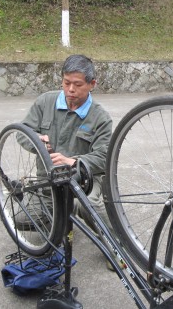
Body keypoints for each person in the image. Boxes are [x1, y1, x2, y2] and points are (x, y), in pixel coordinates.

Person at [21, 54, 115, 268]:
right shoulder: (45, 102)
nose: (70, 89)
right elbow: (21, 132)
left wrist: (72, 161)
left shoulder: (101, 118)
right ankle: (60, 217)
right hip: (49, 181)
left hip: (84, 179)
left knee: (88, 202)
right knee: (22, 219)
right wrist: (36, 141)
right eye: (66, 83)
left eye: (77, 84)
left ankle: (114, 242)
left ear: (92, 84)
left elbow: (103, 157)